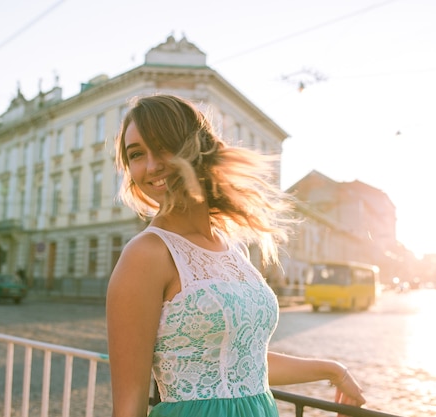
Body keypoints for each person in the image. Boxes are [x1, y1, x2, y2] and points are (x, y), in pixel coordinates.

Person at [105, 94, 366, 417]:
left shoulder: (235, 249)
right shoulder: (146, 254)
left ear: (197, 149)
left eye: (163, 147)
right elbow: (128, 404)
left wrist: (331, 370)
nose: (152, 165)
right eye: (136, 155)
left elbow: (243, 363)